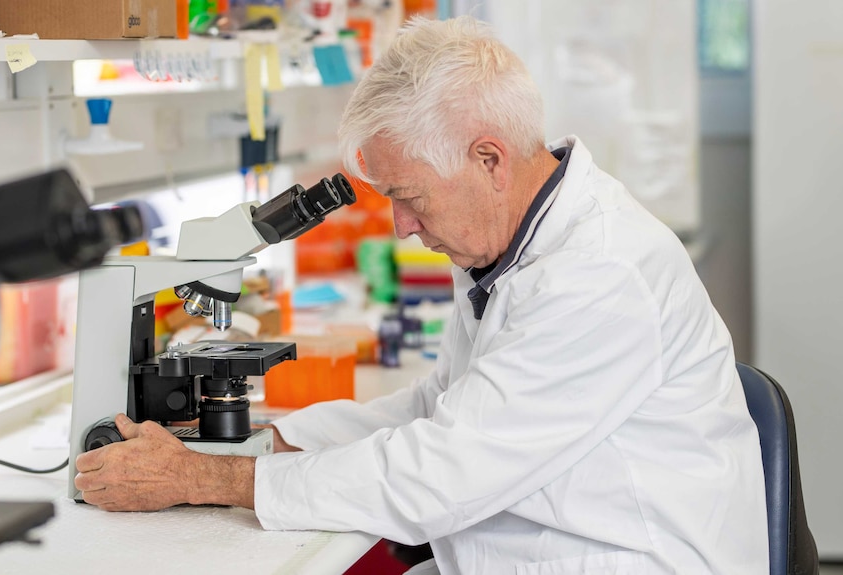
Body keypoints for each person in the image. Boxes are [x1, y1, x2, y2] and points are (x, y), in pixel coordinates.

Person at [75, 15, 770, 575]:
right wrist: (274, 439)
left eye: (407, 198)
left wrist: (209, 479)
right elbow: (435, 410)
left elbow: (443, 470)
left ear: (488, 159)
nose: (403, 227)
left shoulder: (599, 274)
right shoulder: (509, 244)